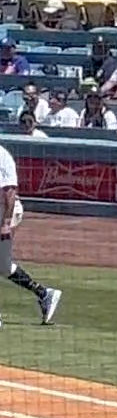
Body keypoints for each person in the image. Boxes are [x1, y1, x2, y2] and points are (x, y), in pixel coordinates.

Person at [0, 138, 62, 326]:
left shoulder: (1, 156)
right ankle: (45, 293)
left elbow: (10, 191)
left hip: (6, 211)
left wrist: (5, 223)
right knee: (3, 267)